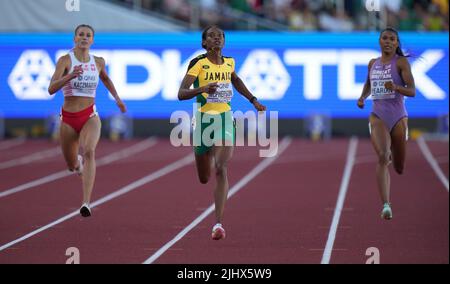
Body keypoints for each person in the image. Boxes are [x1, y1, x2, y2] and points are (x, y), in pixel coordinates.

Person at [178, 26, 266, 240]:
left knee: (221, 167)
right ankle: (204, 153)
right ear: (204, 43)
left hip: (225, 118)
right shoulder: (198, 63)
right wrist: (202, 89)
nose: (217, 38)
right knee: (204, 177)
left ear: (224, 42)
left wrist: (253, 100)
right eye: (212, 36)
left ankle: (218, 223)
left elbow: (235, 80)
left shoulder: (229, 63)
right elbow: (181, 94)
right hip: (202, 121)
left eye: (220, 36)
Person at [48, 24, 126, 217]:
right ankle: (78, 166)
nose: (84, 37)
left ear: (92, 40)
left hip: (90, 115)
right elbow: (51, 88)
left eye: (88, 35)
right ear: (74, 39)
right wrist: (69, 76)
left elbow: (106, 79)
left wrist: (117, 98)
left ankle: (86, 203)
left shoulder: (98, 61)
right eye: (80, 35)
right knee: (71, 165)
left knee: (90, 151)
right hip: (68, 118)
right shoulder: (65, 60)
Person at [357, 27, 416, 220]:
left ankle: (394, 157)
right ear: (379, 41)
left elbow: (412, 91)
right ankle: (386, 205)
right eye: (385, 38)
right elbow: (368, 84)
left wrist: (396, 87)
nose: (388, 41)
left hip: (398, 117)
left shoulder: (401, 62)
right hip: (378, 115)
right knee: (382, 156)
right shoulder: (372, 63)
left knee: (399, 168)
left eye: (392, 39)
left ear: (397, 43)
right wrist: (362, 97)